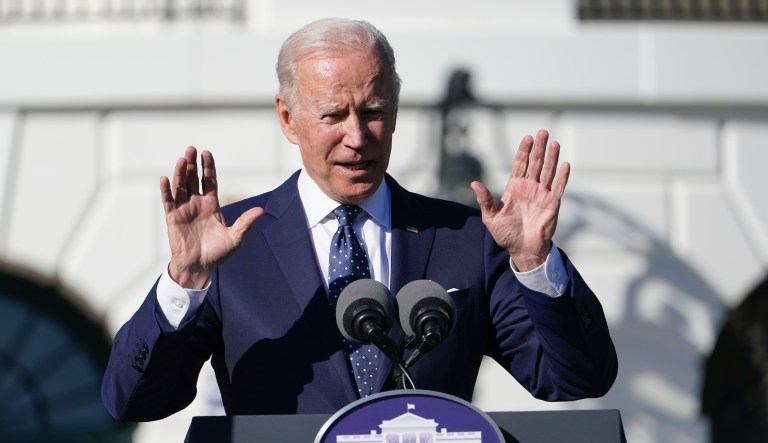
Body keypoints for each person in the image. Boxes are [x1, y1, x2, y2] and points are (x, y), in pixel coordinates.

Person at [101, 18, 617, 421]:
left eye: (373, 111)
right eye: (333, 116)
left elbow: (574, 380)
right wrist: (185, 282)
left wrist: (534, 263)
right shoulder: (230, 248)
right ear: (288, 118)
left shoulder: (466, 240)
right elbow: (132, 402)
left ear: (394, 110)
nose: (358, 137)